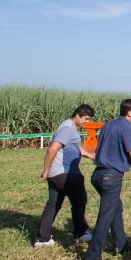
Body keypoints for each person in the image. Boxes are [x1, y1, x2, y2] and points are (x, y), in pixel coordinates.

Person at [84, 99, 131, 260]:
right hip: (111, 177)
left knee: (116, 207)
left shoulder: (109, 124)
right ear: (130, 113)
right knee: (104, 217)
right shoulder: (126, 128)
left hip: (98, 175)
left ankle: (121, 245)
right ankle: (92, 257)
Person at [36, 104, 96, 248]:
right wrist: (46, 170)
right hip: (66, 173)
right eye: (86, 119)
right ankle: (80, 233)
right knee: (79, 201)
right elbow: (53, 149)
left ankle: (43, 238)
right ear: (77, 115)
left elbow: (73, 146)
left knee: (53, 205)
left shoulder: (69, 126)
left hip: (56, 173)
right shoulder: (68, 128)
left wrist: (89, 154)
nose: (87, 122)